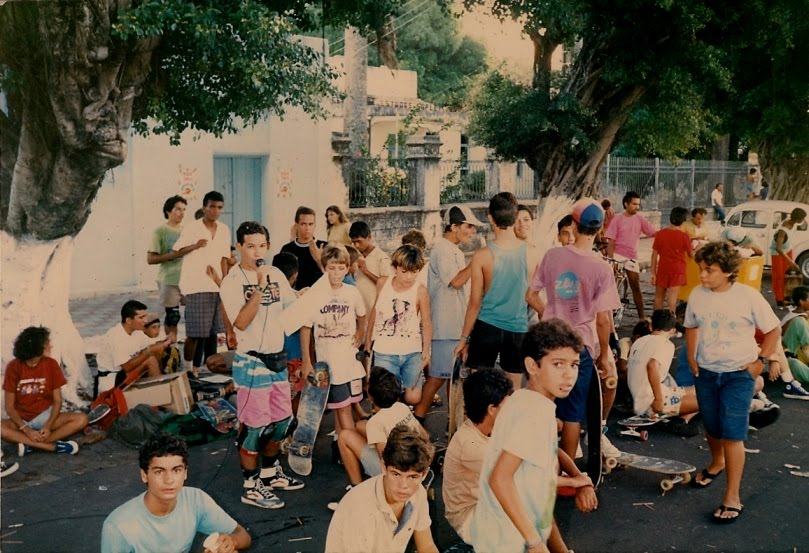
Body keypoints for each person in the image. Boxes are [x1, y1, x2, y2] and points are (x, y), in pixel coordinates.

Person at [470, 320, 593, 553]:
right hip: (508, 542)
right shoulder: (533, 415)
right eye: (558, 364)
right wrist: (534, 542)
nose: (569, 375)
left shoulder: (524, 400)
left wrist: (577, 480)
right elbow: (500, 479)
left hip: (507, 534)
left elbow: (533, 479)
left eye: (574, 365)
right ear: (532, 366)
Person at [684, 241, 780, 522]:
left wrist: (760, 362)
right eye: (701, 269)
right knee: (712, 426)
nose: (702, 275)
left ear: (727, 271)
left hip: (738, 374)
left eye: (709, 270)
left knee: (732, 433)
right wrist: (691, 356)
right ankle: (717, 463)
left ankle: (732, 497)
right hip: (706, 372)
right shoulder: (697, 295)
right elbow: (691, 326)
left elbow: (773, 330)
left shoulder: (748, 296)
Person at [526, 199, 621, 463]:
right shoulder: (602, 268)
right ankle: (567, 474)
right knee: (572, 414)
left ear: (575, 226)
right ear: (599, 230)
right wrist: (603, 356)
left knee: (542, 406)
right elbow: (603, 320)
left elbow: (531, 295)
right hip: (579, 348)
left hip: (547, 342)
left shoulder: (552, 255)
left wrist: (550, 315)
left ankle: (535, 463)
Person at [219, 221, 303, 510]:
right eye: (251, 246)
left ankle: (269, 473)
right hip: (251, 362)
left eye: (262, 246)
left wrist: (306, 298)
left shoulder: (276, 273)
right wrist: (258, 288)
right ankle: (251, 486)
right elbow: (241, 322)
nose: (257, 252)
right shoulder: (232, 281)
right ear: (239, 247)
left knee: (282, 423)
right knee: (255, 428)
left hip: (277, 359)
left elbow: (291, 308)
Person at [101, 433, 251, 553]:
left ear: (185, 473)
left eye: (176, 470)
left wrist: (231, 542)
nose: (169, 480)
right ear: (144, 475)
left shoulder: (195, 499)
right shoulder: (118, 526)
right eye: (159, 471)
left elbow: (243, 535)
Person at [455, 192, 538, 391]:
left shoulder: (481, 256)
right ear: (515, 217)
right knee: (513, 390)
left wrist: (464, 338)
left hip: (487, 327)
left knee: (480, 389)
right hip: (517, 329)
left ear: (490, 218)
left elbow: (475, 303)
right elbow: (533, 296)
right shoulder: (533, 253)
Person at [325, 425, 438, 553]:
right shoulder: (361, 509)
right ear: (383, 467)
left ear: (424, 474)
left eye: (412, 477)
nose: (403, 486)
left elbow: (427, 546)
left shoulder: (418, 493)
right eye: (396, 474)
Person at [413, 205, 480, 423]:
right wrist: (477, 261)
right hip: (445, 326)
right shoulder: (442, 249)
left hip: (455, 326)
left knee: (453, 377)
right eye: (468, 226)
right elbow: (456, 281)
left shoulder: (454, 250)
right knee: (438, 377)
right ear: (453, 226)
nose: (472, 231)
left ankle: (453, 422)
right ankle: (418, 418)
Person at [301, 244, 368, 455]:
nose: (337, 273)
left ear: (347, 268)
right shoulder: (315, 294)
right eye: (332, 268)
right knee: (343, 409)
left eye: (341, 268)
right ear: (324, 268)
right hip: (329, 364)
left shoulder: (352, 292)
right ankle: (355, 451)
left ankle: (341, 446)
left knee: (345, 406)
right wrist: (306, 361)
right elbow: (305, 327)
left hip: (349, 361)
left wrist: (361, 332)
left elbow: (362, 314)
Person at [443, 369, 513, 544]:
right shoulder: (471, 445)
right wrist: (573, 482)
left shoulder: (488, 427)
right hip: (469, 518)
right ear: (491, 409)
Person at [333, 368, 424, 502]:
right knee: (360, 426)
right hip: (412, 461)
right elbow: (424, 436)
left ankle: (357, 490)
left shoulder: (376, 422)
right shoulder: (402, 407)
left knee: (344, 436)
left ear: (371, 397)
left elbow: (385, 459)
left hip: (395, 472)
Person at [172, 191, 232, 376]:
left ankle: (207, 370)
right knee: (195, 332)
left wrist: (224, 283)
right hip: (196, 286)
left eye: (219, 207)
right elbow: (176, 251)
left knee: (213, 331)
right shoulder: (192, 227)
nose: (216, 211)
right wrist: (196, 245)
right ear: (204, 207)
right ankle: (188, 369)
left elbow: (224, 258)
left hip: (216, 286)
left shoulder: (224, 229)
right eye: (212, 206)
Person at [2, 326, 87, 455]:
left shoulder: (51, 364)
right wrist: (26, 429)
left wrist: (48, 426)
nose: (50, 346)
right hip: (21, 419)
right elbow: (9, 406)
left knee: (82, 419)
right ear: (36, 348)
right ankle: (52, 447)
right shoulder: (14, 366)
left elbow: (57, 401)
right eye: (47, 344)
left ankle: (31, 445)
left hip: (44, 416)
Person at [365, 244, 432, 406]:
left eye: (414, 272)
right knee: (386, 396)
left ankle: (402, 404)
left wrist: (426, 350)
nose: (409, 277)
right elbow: (375, 312)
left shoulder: (420, 290)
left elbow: (427, 322)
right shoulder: (383, 283)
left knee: (413, 397)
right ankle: (390, 413)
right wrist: (368, 342)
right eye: (404, 271)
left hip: (411, 351)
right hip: (385, 350)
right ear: (395, 268)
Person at [626, 309, 699, 434]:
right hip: (652, 402)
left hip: (640, 397)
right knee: (708, 399)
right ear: (673, 330)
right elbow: (652, 366)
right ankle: (679, 420)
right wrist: (658, 400)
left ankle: (678, 419)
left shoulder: (639, 341)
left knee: (699, 390)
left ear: (651, 326)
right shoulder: (666, 344)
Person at [146, 195, 201, 338]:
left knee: (195, 315)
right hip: (169, 280)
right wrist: (172, 255)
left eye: (184, 210)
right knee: (173, 317)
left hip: (188, 280)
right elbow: (150, 259)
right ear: (168, 211)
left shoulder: (187, 230)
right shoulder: (160, 231)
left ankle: (192, 347)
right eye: (178, 209)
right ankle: (171, 346)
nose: (181, 213)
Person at [605, 191, 656, 321]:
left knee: (636, 287)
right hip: (617, 255)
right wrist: (611, 260)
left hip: (632, 257)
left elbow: (653, 232)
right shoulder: (617, 219)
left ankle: (641, 317)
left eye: (638, 204)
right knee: (611, 287)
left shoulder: (640, 219)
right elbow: (611, 241)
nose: (637, 207)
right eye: (634, 204)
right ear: (626, 204)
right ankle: (608, 316)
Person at [99, 300, 169, 392]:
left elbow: (152, 345)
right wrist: (149, 351)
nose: (146, 320)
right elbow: (127, 367)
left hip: (126, 373)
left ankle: (158, 388)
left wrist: (168, 340)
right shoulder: (116, 336)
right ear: (128, 320)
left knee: (156, 353)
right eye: (141, 317)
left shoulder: (136, 331)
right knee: (150, 360)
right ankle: (161, 393)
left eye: (145, 316)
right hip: (113, 378)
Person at [272, 252, 306, 412]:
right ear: (295, 275)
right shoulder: (295, 299)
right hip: (294, 354)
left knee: (278, 395)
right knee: (295, 395)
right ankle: (293, 422)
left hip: (274, 353)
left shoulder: (269, 296)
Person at [650, 206, 694, 312]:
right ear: (683, 221)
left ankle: (656, 319)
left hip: (663, 269)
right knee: (672, 299)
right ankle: (671, 318)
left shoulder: (660, 234)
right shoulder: (684, 236)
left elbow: (654, 255)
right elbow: (691, 255)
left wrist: (653, 273)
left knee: (659, 297)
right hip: (677, 270)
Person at [349, 220, 392, 316]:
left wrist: (366, 271)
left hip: (375, 310)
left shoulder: (381, 257)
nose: (356, 245)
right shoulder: (354, 255)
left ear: (369, 237)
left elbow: (386, 285)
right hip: (357, 310)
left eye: (359, 241)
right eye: (353, 242)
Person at [281, 206, 328, 291]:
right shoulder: (287, 249)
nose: (307, 228)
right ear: (296, 225)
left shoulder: (324, 246)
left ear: (315, 225)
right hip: (296, 295)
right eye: (303, 224)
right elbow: (281, 279)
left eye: (310, 224)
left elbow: (333, 276)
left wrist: (319, 259)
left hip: (321, 293)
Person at [770, 207, 807, 308]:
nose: (803, 220)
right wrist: (791, 262)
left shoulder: (793, 222)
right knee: (779, 277)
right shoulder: (783, 230)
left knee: (787, 275)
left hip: (787, 249)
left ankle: (786, 296)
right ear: (798, 219)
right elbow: (778, 248)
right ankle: (779, 300)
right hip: (777, 253)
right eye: (802, 218)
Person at [779, 286, 809, 393]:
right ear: (801, 301)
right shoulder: (797, 320)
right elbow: (806, 349)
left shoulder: (799, 315)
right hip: (790, 360)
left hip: (797, 358)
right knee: (795, 364)